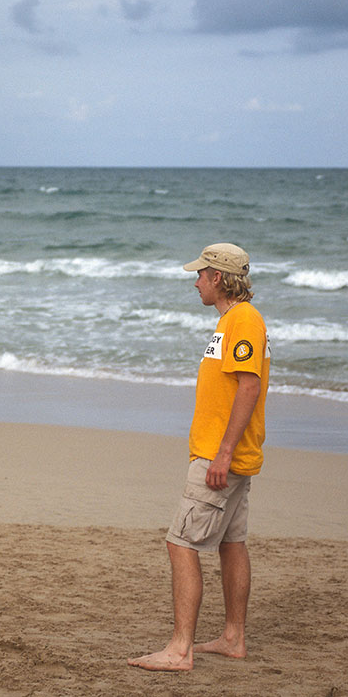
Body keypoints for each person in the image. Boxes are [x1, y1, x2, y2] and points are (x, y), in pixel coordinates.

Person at [128, 242, 270, 672]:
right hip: (228, 455)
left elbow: (249, 387)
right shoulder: (232, 321)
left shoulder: (243, 320)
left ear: (220, 279)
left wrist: (222, 454)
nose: (196, 282)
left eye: (201, 275)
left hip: (219, 458)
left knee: (180, 543)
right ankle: (232, 637)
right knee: (231, 543)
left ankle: (180, 650)